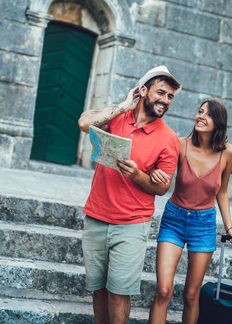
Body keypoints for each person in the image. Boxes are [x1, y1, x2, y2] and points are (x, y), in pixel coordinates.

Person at [77, 66, 182, 324]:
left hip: (132, 223)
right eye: (160, 93)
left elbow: (161, 188)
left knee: (119, 292)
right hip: (97, 216)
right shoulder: (117, 118)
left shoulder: (169, 139)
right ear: (142, 90)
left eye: (170, 96)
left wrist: (137, 175)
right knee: (98, 288)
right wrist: (124, 106)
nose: (165, 100)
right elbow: (83, 123)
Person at [148, 99, 232, 324]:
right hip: (174, 220)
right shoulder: (180, 145)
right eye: (200, 112)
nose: (201, 116)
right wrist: (153, 173)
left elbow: (222, 192)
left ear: (218, 122)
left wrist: (229, 228)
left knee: (191, 295)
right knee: (163, 291)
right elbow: (161, 174)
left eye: (208, 115)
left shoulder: (228, 153)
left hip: (204, 225)